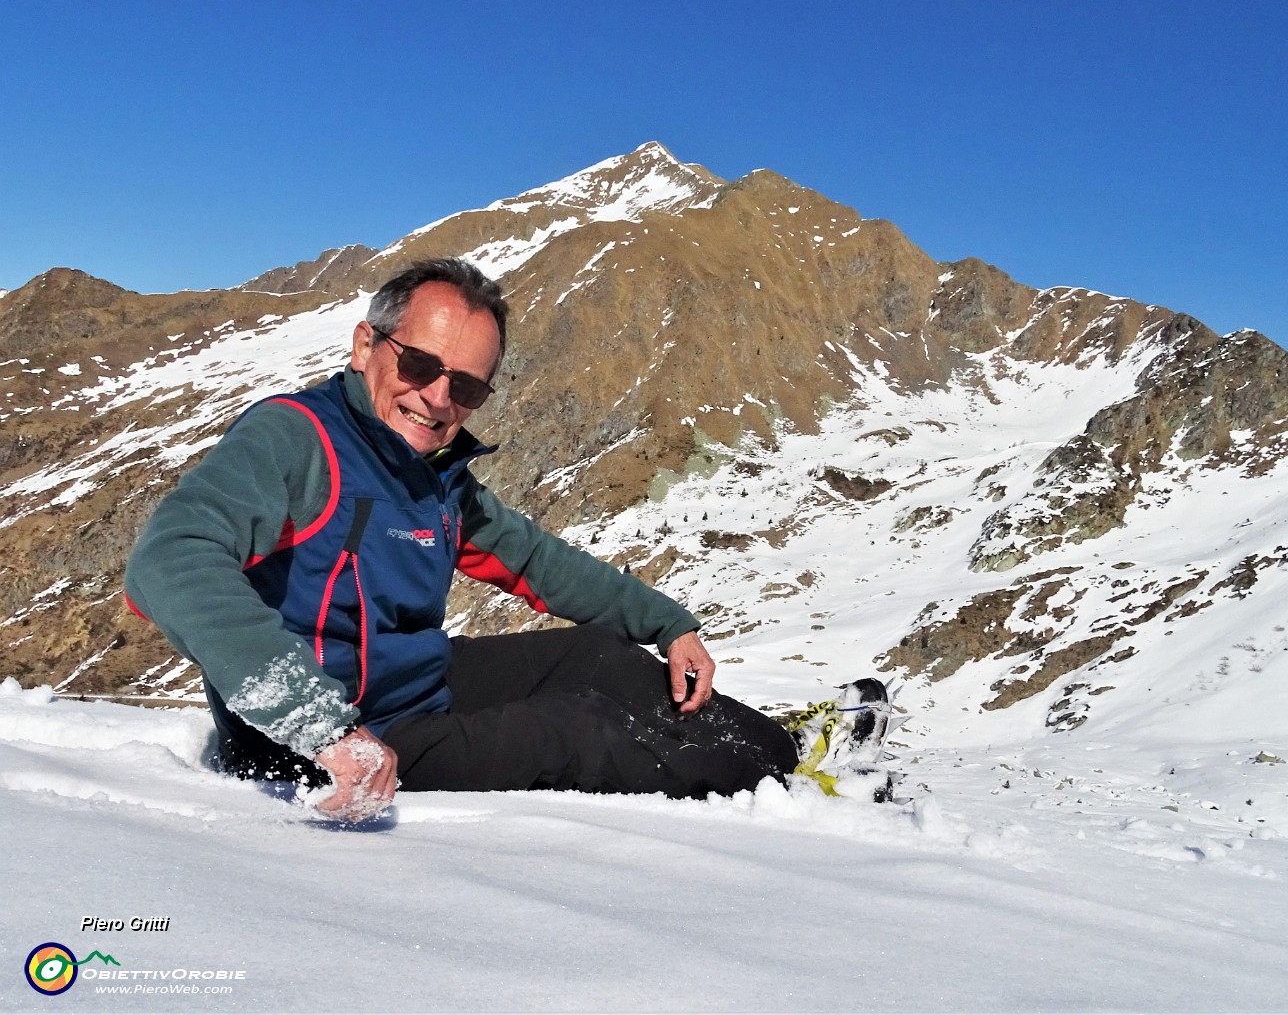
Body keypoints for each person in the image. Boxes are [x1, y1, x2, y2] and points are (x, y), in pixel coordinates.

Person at [126, 257, 799, 822]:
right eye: (420, 364)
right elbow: (168, 561)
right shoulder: (298, 440)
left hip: (408, 692)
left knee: (597, 657)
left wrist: (668, 625)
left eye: (468, 385)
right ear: (366, 347)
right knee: (581, 733)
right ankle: (777, 784)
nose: (439, 399)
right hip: (318, 740)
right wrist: (322, 726)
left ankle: (776, 747)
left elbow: (535, 560)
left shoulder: (432, 474)